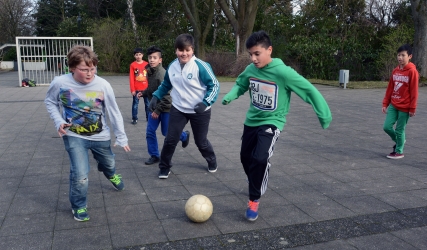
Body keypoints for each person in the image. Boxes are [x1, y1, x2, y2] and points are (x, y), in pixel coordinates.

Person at [222, 31, 332, 221]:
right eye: (251, 54)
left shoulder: (283, 73)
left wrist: (324, 115)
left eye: (257, 53)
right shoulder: (250, 70)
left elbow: (309, 90)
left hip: (273, 121)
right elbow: (241, 84)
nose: (253, 58)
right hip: (251, 121)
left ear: (269, 50)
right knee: (245, 157)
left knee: (260, 158)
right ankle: (255, 178)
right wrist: (230, 96)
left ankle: (254, 199)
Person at [45, 45, 131, 222]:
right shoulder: (60, 83)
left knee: (109, 163)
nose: (90, 73)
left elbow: (114, 112)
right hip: (74, 135)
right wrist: (59, 121)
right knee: (80, 174)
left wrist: (121, 136)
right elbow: (50, 102)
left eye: (92, 69)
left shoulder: (103, 85)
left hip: (101, 136)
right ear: (72, 68)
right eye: (84, 69)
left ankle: (110, 173)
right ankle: (79, 206)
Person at [149, 33, 220, 179]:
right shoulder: (172, 66)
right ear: (176, 50)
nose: (184, 53)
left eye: (187, 50)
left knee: (201, 142)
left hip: (200, 110)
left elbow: (214, 85)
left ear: (192, 50)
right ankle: (164, 167)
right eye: (181, 50)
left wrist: (205, 102)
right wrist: (156, 96)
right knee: (170, 139)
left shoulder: (200, 66)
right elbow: (166, 84)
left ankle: (212, 160)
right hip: (179, 109)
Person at [139, 45, 190, 165]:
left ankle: (183, 135)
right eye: (150, 57)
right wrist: (144, 93)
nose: (152, 60)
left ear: (160, 60)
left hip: (166, 109)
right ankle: (154, 155)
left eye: (155, 58)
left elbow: (167, 97)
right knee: (150, 131)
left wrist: (157, 110)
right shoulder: (150, 72)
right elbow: (152, 89)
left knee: (166, 133)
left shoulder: (162, 74)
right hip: (154, 108)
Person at [382, 44, 419, 159]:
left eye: (403, 55)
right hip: (394, 104)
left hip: (405, 107)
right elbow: (390, 88)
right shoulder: (395, 71)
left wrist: (412, 108)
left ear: (410, 56)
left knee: (399, 129)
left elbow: (414, 91)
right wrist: (385, 103)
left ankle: (399, 151)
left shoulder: (412, 72)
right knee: (387, 127)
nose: (400, 58)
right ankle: (400, 141)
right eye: (398, 55)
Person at [129, 47, 149, 124]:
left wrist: (150, 87)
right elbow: (131, 77)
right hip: (137, 88)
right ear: (134, 56)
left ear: (142, 55)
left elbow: (149, 76)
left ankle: (148, 118)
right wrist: (132, 89)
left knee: (148, 104)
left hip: (146, 88)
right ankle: (134, 118)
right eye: (136, 55)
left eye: (140, 54)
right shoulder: (133, 65)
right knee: (135, 104)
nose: (138, 56)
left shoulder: (147, 64)